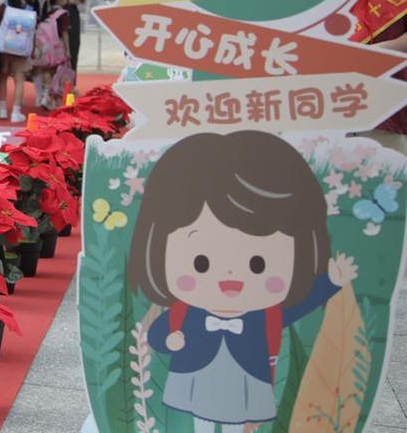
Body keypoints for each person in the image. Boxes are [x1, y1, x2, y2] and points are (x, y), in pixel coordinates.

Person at [129, 131, 357, 433]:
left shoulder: (269, 314)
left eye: (258, 264)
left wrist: (329, 282)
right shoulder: (185, 311)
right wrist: (167, 341)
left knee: (238, 419)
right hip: (195, 372)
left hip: (247, 375)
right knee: (202, 417)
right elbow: (159, 332)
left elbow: (301, 306)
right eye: (202, 263)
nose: (229, 279)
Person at [31, 0, 72, 109]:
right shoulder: (63, 14)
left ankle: (43, 96)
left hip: (45, 48)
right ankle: (49, 97)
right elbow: (65, 34)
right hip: (57, 47)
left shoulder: (47, 13)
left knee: (45, 71)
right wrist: (68, 50)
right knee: (56, 73)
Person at [0, 0, 31, 123]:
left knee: (3, 76)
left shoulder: (4, 7)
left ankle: (2, 109)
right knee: (19, 79)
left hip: (4, 47)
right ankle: (16, 112)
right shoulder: (29, 8)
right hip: (21, 47)